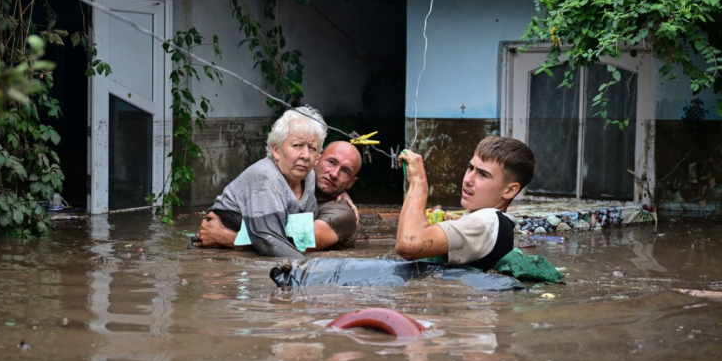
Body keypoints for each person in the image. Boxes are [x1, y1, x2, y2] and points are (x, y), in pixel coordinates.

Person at [195, 106, 326, 258]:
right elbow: (269, 241)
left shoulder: (309, 177)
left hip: (241, 251)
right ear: (276, 150)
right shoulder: (264, 176)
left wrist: (229, 238)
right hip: (215, 259)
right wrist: (313, 270)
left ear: (318, 156)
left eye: (312, 148)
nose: (305, 155)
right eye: (297, 145)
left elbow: (297, 238)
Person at [395, 136, 535, 271]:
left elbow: (409, 244)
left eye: (483, 174)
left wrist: (418, 182)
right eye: (470, 167)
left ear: (510, 190)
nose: (468, 179)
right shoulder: (497, 224)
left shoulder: (487, 220)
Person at [197, 140, 363, 252]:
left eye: (345, 171)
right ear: (316, 160)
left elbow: (293, 244)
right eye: (331, 162)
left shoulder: (343, 214)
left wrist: (225, 237)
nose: (334, 174)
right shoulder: (293, 183)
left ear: (350, 183)